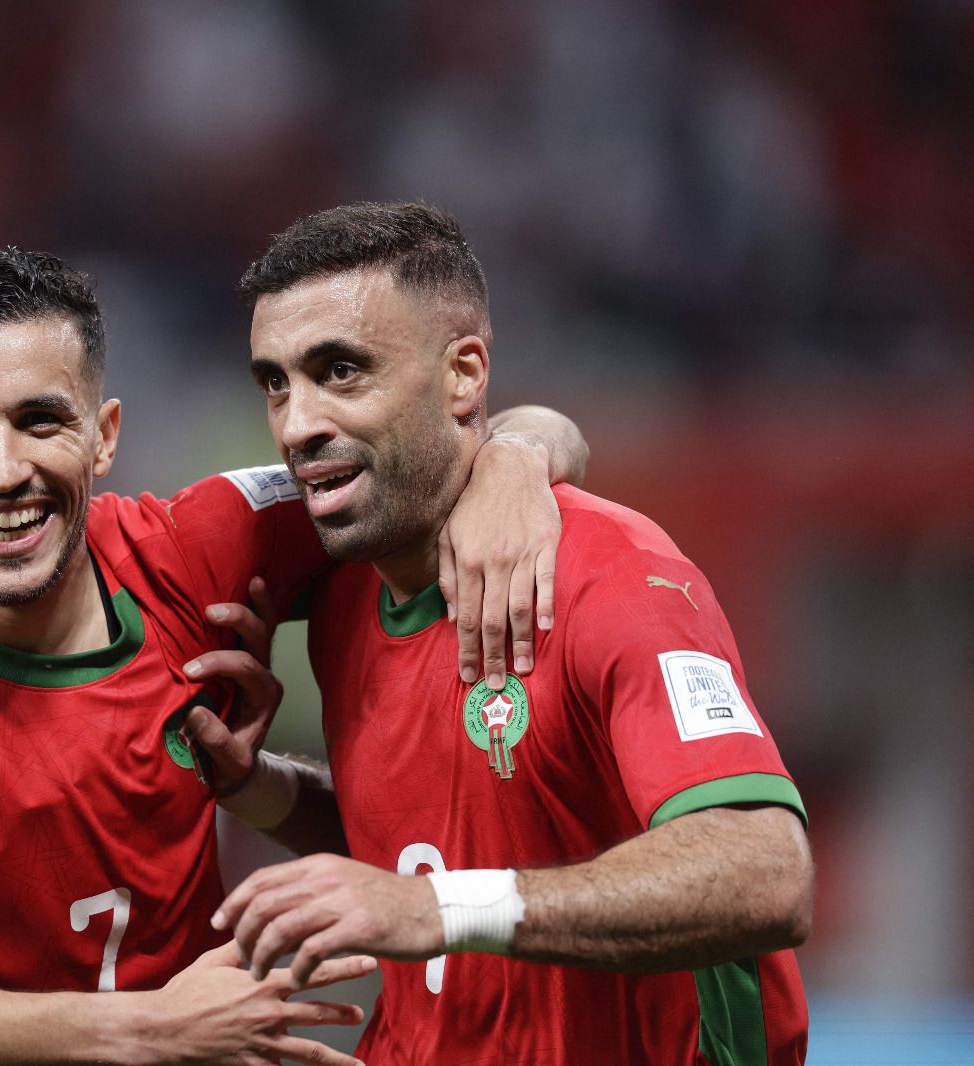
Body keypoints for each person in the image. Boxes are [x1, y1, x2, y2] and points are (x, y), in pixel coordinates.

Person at [0, 247, 587, 1065]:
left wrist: (515, 457)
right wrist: (146, 1030)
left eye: (39, 421)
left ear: (103, 436)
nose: (3, 470)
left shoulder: (197, 553)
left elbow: (435, 454)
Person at [210, 202, 814, 1064]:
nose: (297, 423)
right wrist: (262, 788)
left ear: (463, 375)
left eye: (340, 371)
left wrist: (439, 910)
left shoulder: (615, 577)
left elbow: (767, 873)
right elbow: (437, 854)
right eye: (276, 382)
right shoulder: (346, 592)